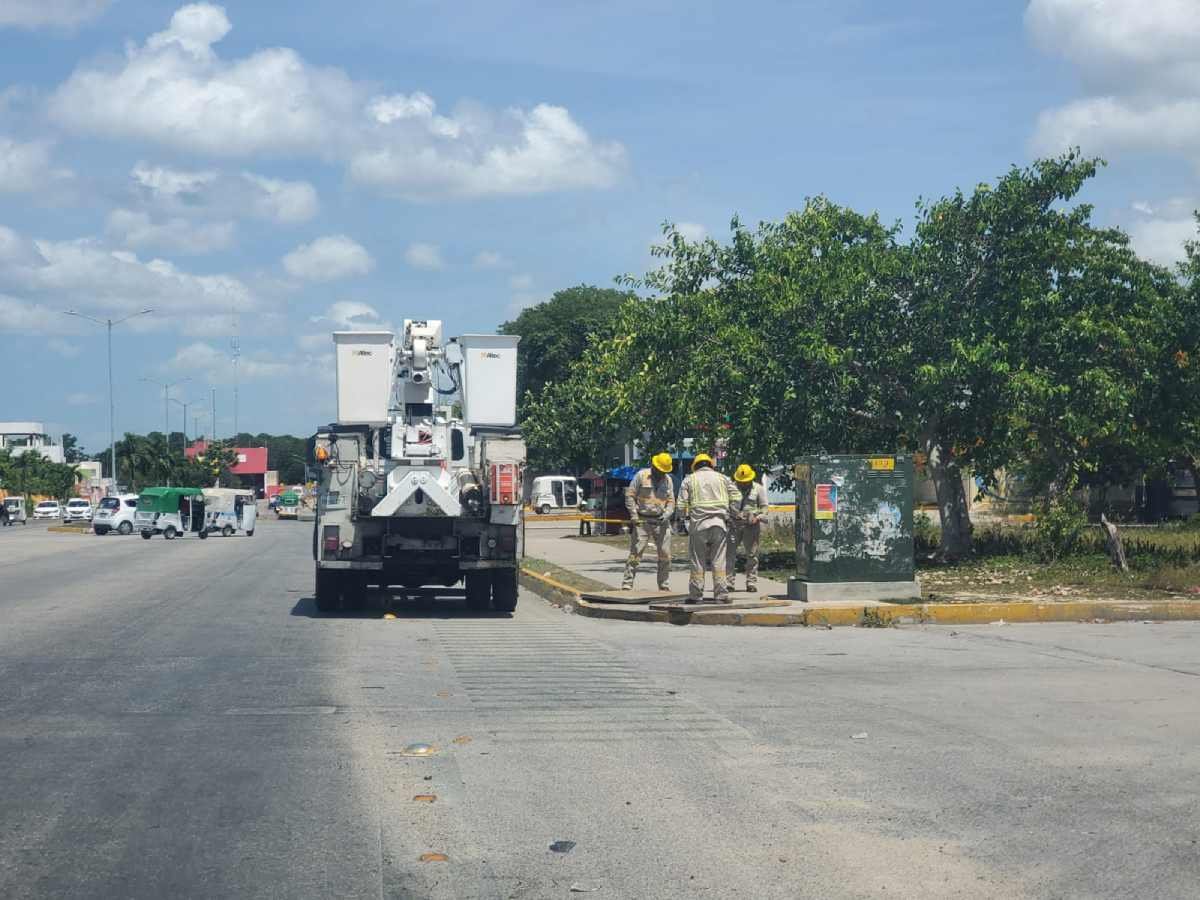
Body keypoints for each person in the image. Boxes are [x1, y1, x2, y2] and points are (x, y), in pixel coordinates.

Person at [677, 453, 736, 603]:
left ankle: (696, 595)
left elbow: (681, 505)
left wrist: (681, 520)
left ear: (695, 466)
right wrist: (731, 514)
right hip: (719, 524)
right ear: (710, 465)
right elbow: (736, 497)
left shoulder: (689, 479)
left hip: (699, 525)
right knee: (719, 560)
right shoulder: (723, 478)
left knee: (698, 560)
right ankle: (721, 595)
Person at [621, 453, 676, 591]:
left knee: (665, 555)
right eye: (660, 470)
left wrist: (667, 513)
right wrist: (634, 515)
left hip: (661, 521)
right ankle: (627, 584)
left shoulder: (668, 480)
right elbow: (630, 495)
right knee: (636, 553)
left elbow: (671, 501)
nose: (662, 473)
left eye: (664, 471)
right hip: (642, 520)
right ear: (654, 466)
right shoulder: (641, 475)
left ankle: (664, 585)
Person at [726, 464, 770, 593]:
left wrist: (758, 517)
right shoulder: (731, 488)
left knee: (752, 555)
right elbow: (725, 505)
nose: (743, 484)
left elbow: (765, 507)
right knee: (730, 555)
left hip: (751, 526)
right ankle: (729, 583)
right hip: (734, 525)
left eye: (746, 482)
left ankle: (751, 582)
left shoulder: (758, 489)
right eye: (741, 482)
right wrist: (730, 517)